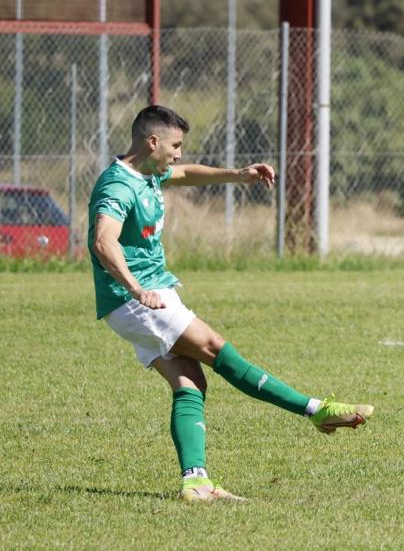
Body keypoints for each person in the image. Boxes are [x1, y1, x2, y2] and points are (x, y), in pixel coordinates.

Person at [88, 104, 374, 503]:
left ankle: (197, 483)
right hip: (137, 299)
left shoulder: (149, 171)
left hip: (143, 297)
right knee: (216, 348)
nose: (178, 154)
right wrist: (138, 290)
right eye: (175, 145)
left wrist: (237, 176)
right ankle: (316, 410)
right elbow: (104, 242)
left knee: (190, 383)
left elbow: (186, 174)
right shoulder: (118, 185)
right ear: (152, 141)